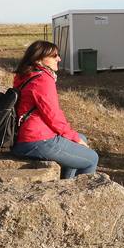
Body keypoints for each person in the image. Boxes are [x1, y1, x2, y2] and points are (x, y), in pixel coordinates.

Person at [10, 40, 100, 179]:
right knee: (91, 159)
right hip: (37, 140)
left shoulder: (27, 75)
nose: (59, 58)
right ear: (39, 58)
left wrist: (74, 137)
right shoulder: (42, 80)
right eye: (54, 56)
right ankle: (77, 197)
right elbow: (53, 115)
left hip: (25, 136)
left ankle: (67, 185)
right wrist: (71, 135)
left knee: (81, 138)